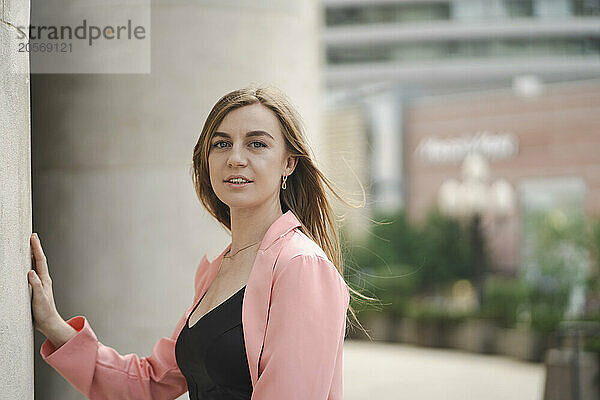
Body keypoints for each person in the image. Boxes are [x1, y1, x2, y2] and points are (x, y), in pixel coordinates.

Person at [28, 86, 354, 399]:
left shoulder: (301, 266)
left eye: (256, 144)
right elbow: (148, 383)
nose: (235, 158)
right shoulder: (218, 271)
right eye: (221, 144)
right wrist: (53, 325)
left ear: (289, 163)